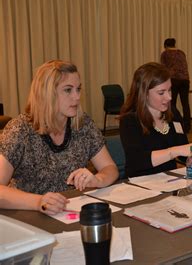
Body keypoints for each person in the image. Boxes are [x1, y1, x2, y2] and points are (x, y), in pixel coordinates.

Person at [0, 60, 119, 215]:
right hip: (31, 215)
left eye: (78, 89)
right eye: (68, 90)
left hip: (71, 212)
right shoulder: (20, 129)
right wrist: (39, 202)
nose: (77, 97)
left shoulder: (83, 124)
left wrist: (98, 180)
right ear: (46, 93)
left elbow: (109, 168)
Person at [120, 62, 192, 178]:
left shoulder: (173, 113)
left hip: (169, 181)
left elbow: (182, 154)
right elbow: (137, 161)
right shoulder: (129, 120)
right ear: (144, 93)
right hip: (141, 185)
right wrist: (175, 151)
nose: (169, 97)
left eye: (169, 90)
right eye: (161, 92)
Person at [160, 38, 191, 133]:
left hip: (173, 80)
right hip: (185, 80)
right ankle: (187, 126)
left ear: (165, 46)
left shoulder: (165, 54)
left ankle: (175, 124)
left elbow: (163, 68)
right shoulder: (181, 53)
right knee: (185, 103)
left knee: (172, 104)